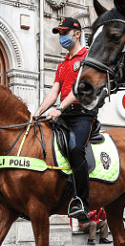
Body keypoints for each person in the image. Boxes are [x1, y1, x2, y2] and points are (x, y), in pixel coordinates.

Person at [33, 16, 96, 220]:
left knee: (76, 149)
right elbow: (54, 92)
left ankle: (81, 202)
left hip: (82, 115)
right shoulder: (62, 65)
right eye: (60, 33)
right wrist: (37, 112)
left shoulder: (88, 58)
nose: (62, 37)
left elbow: (79, 90)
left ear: (77, 34)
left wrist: (59, 108)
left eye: (64, 33)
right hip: (63, 113)